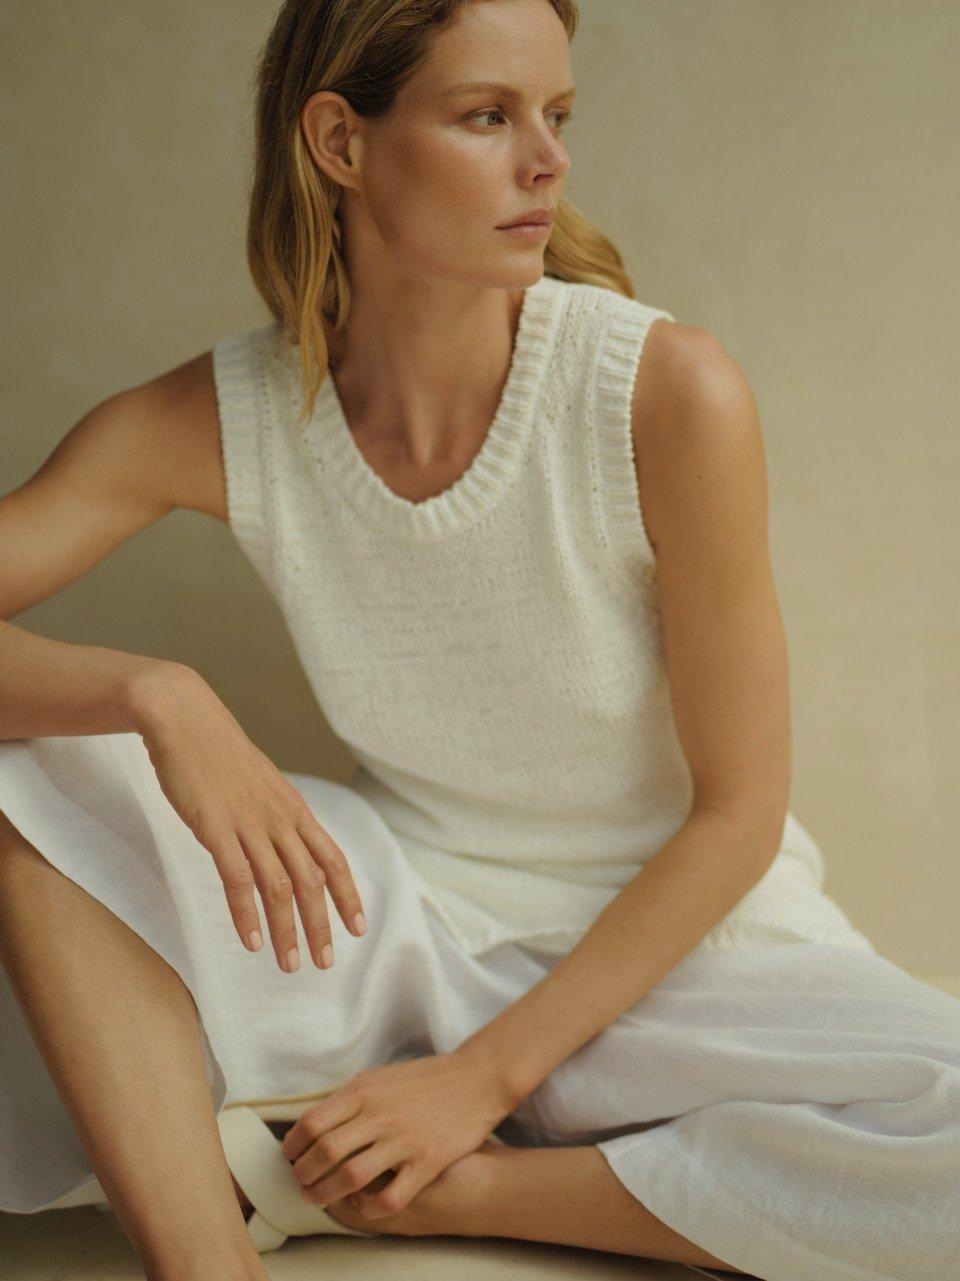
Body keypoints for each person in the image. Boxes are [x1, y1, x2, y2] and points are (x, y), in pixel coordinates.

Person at [2, 1, 958, 1279]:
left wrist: (476, 1086)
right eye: (487, 116)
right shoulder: (221, 415)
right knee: (25, 786)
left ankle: (457, 1191)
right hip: (399, 912)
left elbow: (739, 812)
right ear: (341, 140)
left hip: (679, 943)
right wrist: (152, 692)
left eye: (556, 116)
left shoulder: (667, 391)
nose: (547, 161)